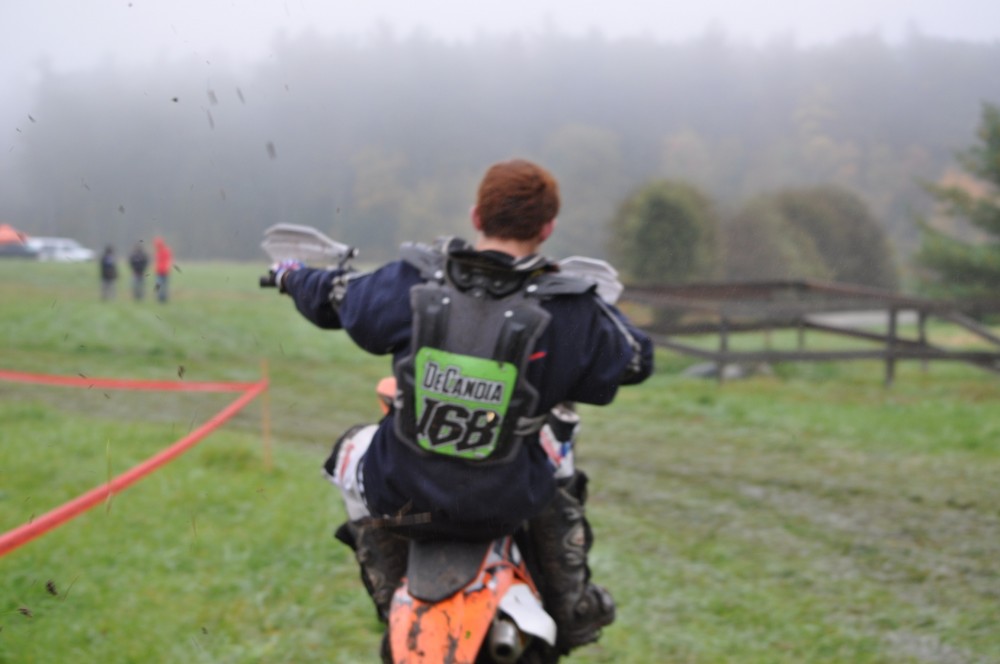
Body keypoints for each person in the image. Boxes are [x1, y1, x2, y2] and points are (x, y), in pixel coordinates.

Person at [273, 159, 654, 654]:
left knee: (350, 448)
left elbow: (333, 297)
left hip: (403, 497)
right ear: (546, 228)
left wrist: (291, 275)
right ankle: (571, 603)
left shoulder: (414, 281)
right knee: (556, 454)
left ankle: (390, 598)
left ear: (477, 216)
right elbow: (635, 359)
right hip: (505, 505)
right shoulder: (569, 308)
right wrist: (594, 305)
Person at [153, 236, 172, 303]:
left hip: (164, 272)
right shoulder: (158, 252)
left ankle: (163, 298)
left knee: (163, 285)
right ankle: (159, 297)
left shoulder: (165, 251)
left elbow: (168, 260)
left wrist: (167, 267)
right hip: (159, 271)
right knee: (159, 285)